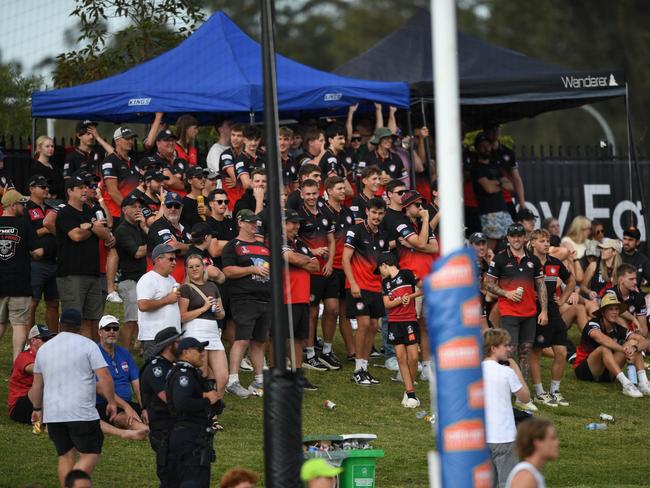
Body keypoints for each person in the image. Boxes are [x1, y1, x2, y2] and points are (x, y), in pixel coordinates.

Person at [31, 309, 118, 488]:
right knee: (90, 453)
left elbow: (37, 386)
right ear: (79, 326)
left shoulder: (44, 349)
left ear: (60, 324)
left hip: (54, 414)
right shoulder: (88, 345)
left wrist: (37, 409)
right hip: (81, 412)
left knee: (65, 455)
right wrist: (111, 402)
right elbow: (105, 376)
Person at [485, 223, 548, 380]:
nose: (516, 239)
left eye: (519, 235)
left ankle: (521, 388)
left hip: (530, 312)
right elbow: (488, 284)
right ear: (508, 238)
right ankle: (505, 384)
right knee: (508, 351)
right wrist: (507, 293)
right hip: (509, 312)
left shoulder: (533, 259)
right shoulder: (500, 259)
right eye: (513, 236)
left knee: (525, 351)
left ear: (525, 237)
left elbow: (541, 286)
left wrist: (544, 310)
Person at [56, 175, 112, 339]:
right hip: (71, 273)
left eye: (85, 187)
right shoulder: (65, 213)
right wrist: (92, 228)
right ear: (69, 191)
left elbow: (105, 233)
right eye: (80, 187)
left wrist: (90, 227)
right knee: (72, 320)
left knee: (93, 318)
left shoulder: (91, 210)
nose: (84, 190)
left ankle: (89, 352)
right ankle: (68, 352)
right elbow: (76, 236)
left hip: (92, 273)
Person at [222, 209, 271, 398]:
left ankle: (259, 379)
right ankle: (232, 380)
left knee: (260, 340)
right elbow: (227, 271)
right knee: (242, 338)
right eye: (250, 222)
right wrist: (252, 269)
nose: (254, 225)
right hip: (244, 297)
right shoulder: (233, 245)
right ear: (240, 223)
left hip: (264, 297)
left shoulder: (264, 247)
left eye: (255, 222)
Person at [343, 197, 389, 386]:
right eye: (374, 212)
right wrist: (352, 283)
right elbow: (346, 259)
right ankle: (357, 370)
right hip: (358, 287)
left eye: (380, 213)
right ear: (367, 212)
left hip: (375, 286)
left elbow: (383, 263)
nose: (376, 216)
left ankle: (364, 367)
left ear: (384, 214)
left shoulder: (383, 235)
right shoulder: (355, 231)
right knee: (363, 324)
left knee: (372, 326)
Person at [528, 229, 574, 408]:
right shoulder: (527, 262)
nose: (547, 244)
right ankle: (539, 392)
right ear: (532, 243)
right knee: (536, 352)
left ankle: (555, 390)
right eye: (542, 241)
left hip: (553, 312)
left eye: (547, 241)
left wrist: (562, 301)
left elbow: (570, 280)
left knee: (561, 352)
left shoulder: (555, 262)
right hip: (533, 312)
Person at [166, 337, 220, 488]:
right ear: (185, 353)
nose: (202, 354)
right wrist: (207, 400)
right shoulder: (184, 374)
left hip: (192, 433)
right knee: (192, 479)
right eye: (198, 350)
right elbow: (182, 403)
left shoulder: (191, 373)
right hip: (188, 435)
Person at [573, 293, 649, 397]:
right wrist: (623, 349)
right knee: (604, 348)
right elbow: (601, 338)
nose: (615, 312)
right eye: (611, 309)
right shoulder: (593, 323)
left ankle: (643, 383)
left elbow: (644, 341)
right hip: (585, 370)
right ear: (603, 312)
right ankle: (626, 384)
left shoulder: (618, 327)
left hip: (608, 371)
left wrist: (634, 348)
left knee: (634, 342)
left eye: (616, 309)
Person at [295, 178, 336, 372]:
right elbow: (293, 244)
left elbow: (331, 240)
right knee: (311, 313)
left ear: (319, 192)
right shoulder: (298, 216)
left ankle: (327, 350)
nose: (311, 197)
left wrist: (329, 261)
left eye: (314, 193)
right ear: (302, 194)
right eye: (308, 194)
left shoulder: (326, 212)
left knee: (333, 308)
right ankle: (310, 354)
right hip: (309, 270)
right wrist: (312, 253)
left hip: (326, 269)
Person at [482, 328, 531, 488]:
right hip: (505, 436)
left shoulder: (474, 372)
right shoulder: (506, 372)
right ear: (493, 348)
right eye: (505, 345)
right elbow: (525, 397)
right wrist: (515, 369)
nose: (509, 349)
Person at [0, 189, 44, 359]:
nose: (23, 207)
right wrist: (30, 252)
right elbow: (39, 252)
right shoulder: (24, 224)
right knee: (19, 325)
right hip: (19, 283)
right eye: (20, 204)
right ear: (12, 205)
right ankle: (17, 362)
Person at [140, 326, 183, 488]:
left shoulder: (172, 366)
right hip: (163, 431)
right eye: (178, 341)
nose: (182, 345)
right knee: (170, 479)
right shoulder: (156, 368)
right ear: (169, 345)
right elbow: (169, 398)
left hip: (175, 429)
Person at [281, 208, 320, 390]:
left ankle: (297, 374)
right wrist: (305, 259)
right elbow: (290, 258)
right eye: (292, 223)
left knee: (298, 337)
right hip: (285, 296)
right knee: (280, 337)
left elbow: (316, 265)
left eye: (298, 223)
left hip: (302, 296)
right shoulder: (277, 240)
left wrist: (301, 259)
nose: (296, 226)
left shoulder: (301, 243)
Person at [319, 176, 356, 363]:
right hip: (329, 266)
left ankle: (352, 352)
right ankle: (326, 348)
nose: (343, 191)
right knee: (331, 308)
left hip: (346, 266)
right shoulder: (322, 212)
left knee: (345, 310)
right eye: (339, 188)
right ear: (329, 191)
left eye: (344, 188)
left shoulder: (348, 212)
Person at [377, 253, 422, 407]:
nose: (380, 273)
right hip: (394, 323)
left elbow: (423, 289)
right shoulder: (385, 284)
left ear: (384, 265)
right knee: (401, 358)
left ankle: (410, 389)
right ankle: (410, 392)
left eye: (380, 269)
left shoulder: (407, 274)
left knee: (414, 357)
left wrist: (409, 296)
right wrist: (398, 300)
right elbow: (387, 304)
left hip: (409, 319)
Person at [179, 254, 227, 399]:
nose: (194, 269)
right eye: (191, 267)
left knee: (223, 376)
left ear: (204, 267)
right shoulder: (186, 288)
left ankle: (214, 410)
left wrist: (218, 310)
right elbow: (182, 316)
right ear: (186, 269)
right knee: (202, 375)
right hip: (195, 331)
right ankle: (204, 415)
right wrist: (203, 308)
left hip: (212, 332)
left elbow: (222, 314)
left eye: (197, 266)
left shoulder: (212, 286)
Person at [95, 315, 148, 440]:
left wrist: (144, 407)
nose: (112, 331)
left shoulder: (124, 353)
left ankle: (144, 427)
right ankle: (144, 431)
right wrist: (127, 407)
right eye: (107, 329)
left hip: (126, 404)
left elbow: (137, 383)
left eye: (115, 328)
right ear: (100, 332)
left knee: (153, 414)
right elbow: (101, 389)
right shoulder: (94, 353)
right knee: (127, 419)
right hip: (105, 404)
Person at [114, 193, 149, 348]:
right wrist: (154, 245)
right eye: (133, 207)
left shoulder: (139, 228)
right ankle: (124, 355)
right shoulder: (122, 230)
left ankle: (139, 350)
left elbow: (148, 243)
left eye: (139, 207)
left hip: (143, 280)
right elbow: (137, 252)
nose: (137, 210)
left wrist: (145, 227)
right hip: (129, 280)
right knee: (131, 320)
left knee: (144, 318)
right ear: (124, 210)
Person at [25, 175, 60, 330]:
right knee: (32, 302)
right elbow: (26, 233)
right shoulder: (27, 208)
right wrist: (47, 228)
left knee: (53, 302)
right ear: (32, 189)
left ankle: (53, 336)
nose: (46, 189)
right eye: (42, 186)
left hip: (54, 261)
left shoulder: (52, 208)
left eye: (47, 186)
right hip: (36, 262)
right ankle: (29, 339)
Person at [137, 243, 182, 359]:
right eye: (171, 259)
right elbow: (142, 305)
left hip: (172, 337)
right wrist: (167, 299)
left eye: (175, 259)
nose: (174, 263)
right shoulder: (147, 279)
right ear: (158, 260)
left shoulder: (172, 280)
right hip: (154, 338)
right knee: (156, 373)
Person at [472, 132, 513, 249]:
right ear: (477, 148)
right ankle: (485, 266)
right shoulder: (477, 167)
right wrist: (500, 183)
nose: (486, 148)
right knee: (491, 243)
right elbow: (489, 189)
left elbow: (510, 186)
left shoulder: (495, 166)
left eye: (488, 145)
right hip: (488, 211)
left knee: (510, 241)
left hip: (503, 210)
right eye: (483, 146)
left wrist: (495, 183)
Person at [8, 324, 55, 424]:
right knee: (42, 381)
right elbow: (36, 370)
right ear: (33, 341)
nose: (49, 342)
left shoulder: (49, 357)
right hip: (19, 407)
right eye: (45, 339)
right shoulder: (24, 356)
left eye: (50, 339)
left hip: (35, 402)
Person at [147, 192, 190, 283]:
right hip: (161, 281)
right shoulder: (158, 225)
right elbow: (170, 247)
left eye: (177, 206)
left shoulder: (185, 227)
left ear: (181, 208)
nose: (173, 209)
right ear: (163, 207)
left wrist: (179, 246)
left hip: (183, 281)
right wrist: (190, 246)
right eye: (169, 205)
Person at [505, 418, 559, 488]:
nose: (557, 443)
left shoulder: (530, 473)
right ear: (537, 442)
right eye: (552, 438)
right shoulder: (526, 476)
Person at [101, 127, 140, 222]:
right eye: (127, 139)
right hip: (117, 214)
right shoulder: (110, 160)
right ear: (117, 141)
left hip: (132, 214)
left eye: (131, 139)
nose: (130, 141)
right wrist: (128, 210)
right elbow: (112, 191)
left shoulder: (133, 162)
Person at [606, 263, 648, 336]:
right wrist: (633, 319)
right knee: (616, 316)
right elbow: (616, 308)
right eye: (631, 279)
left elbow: (644, 328)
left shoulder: (639, 297)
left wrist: (640, 334)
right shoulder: (610, 293)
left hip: (631, 334)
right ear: (621, 280)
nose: (635, 282)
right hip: (610, 333)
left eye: (635, 279)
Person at [581, 238, 623, 302]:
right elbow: (582, 286)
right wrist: (589, 292)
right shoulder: (594, 265)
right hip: (596, 302)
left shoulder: (621, 269)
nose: (602, 251)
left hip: (614, 303)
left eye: (605, 249)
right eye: (602, 249)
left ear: (614, 252)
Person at [218, 123, 245, 210]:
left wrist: (238, 181)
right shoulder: (226, 154)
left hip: (247, 201)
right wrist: (241, 180)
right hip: (230, 204)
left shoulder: (248, 155)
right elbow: (236, 177)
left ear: (245, 139)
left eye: (239, 136)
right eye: (233, 135)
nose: (235, 138)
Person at [180, 166, 209, 231]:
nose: (203, 179)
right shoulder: (183, 203)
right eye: (199, 177)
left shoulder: (209, 200)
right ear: (190, 180)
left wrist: (210, 214)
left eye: (204, 176)